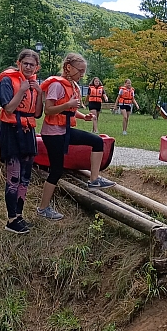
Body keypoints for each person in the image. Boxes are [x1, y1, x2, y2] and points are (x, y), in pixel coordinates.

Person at [35, 54, 115, 220]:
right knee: (56, 170)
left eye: (84, 72)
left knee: (97, 142)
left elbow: (68, 111)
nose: (82, 75)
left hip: (65, 130)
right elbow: (49, 110)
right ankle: (43, 208)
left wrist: (82, 116)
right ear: (69, 67)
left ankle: (94, 181)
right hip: (53, 133)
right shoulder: (56, 85)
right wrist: (69, 105)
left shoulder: (72, 85)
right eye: (80, 71)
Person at [0, 49, 44, 234]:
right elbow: (8, 109)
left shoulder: (34, 84)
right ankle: (11, 219)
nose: (29, 67)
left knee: (25, 177)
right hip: (11, 131)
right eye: (26, 64)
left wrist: (39, 94)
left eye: (32, 65)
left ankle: (19, 215)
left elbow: (37, 113)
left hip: (28, 131)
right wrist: (22, 90)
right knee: (14, 176)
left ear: (36, 67)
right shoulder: (8, 81)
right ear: (19, 63)